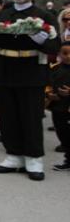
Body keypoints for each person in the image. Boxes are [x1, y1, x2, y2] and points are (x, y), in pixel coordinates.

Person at [0, 0, 59, 181]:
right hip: (5, 67)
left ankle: (34, 158)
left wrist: (38, 37)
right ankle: (14, 155)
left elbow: (54, 47)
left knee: (30, 116)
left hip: (31, 70)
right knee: (8, 115)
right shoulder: (3, 14)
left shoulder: (44, 15)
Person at [46, 42, 70, 172]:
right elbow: (47, 84)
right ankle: (68, 159)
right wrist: (49, 94)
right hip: (58, 108)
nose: (68, 56)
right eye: (64, 53)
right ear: (59, 54)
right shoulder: (54, 68)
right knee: (62, 133)